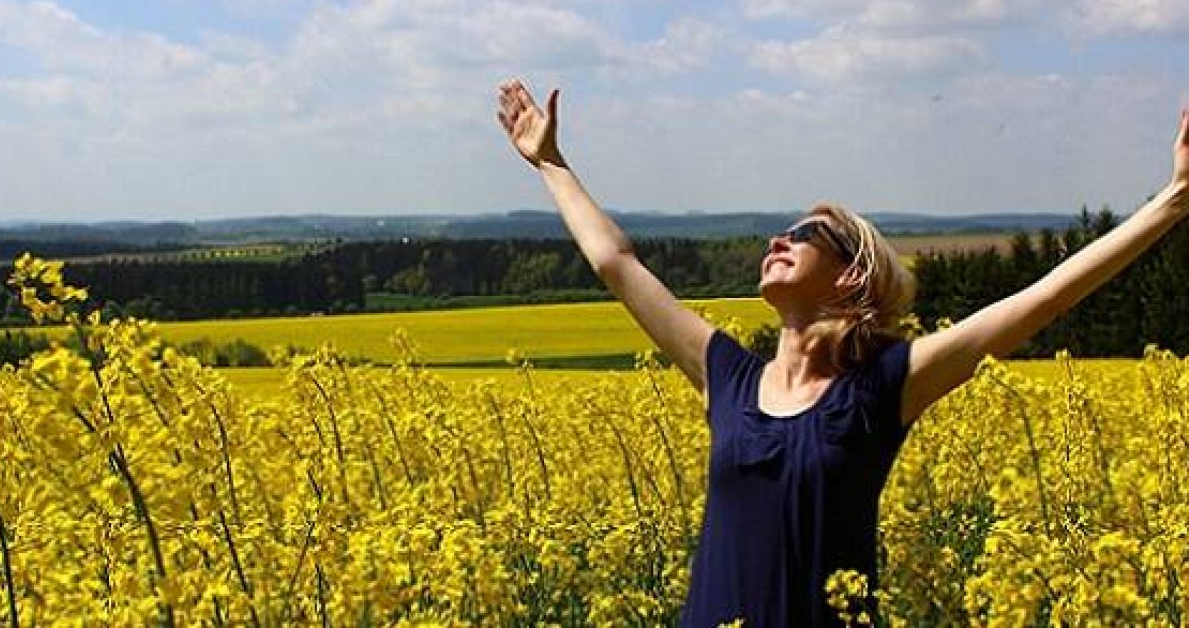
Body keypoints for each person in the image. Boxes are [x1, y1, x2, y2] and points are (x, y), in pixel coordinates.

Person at [496, 79, 1189, 627]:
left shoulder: (885, 384)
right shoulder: (727, 376)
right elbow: (616, 261)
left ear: (853, 273)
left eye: (805, 233)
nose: (779, 239)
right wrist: (551, 163)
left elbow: (1038, 302)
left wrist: (1172, 202)